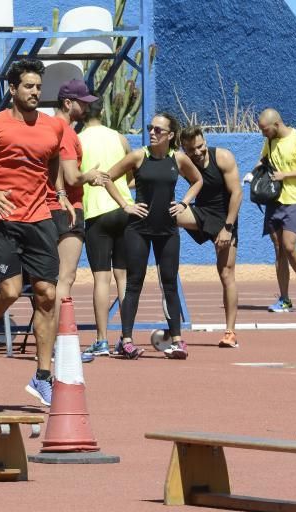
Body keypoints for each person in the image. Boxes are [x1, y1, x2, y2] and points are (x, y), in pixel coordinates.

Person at [0, 58, 63, 406]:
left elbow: (51, 161)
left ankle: (42, 375)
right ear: (13, 88)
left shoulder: (53, 127)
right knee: (9, 291)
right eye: (29, 86)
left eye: (38, 87)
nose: (35, 92)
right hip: (0, 219)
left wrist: (52, 195)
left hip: (39, 218)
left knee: (48, 294)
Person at [103, 113, 203, 360]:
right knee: (134, 283)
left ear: (170, 135)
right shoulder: (139, 156)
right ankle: (126, 340)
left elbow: (197, 180)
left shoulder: (177, 158)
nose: (152, 132)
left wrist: (184, 203)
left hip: (168, 230)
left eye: (159, 129)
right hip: (137, 229)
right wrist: (126, 205)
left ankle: (178, 341)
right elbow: (107, 178)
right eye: (150, 128)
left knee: (169, 283)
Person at [50, 79, 107, 339]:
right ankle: (59, 340)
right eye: (82, 102)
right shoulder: (67, 132)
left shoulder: (46, 127)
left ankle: (50, 339)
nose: (86, 107)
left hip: (45, 209)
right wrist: (90, 174)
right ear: (68, 103)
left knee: (49, 280)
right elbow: (72, 177)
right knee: (65, 278)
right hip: (67, 209)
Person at [177, 126, 243, 348]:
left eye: (200, 146)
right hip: (201, 212)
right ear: (183, 149)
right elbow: (152, 176)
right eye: (192, 150)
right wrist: (118, 182)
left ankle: (230, 332)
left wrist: (227, 228)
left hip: (225, 218)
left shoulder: (223, 157)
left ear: (205, 141)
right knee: (169, 214)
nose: (198, 152)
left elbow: (237, 193)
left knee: (226, 273)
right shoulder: (183, 162)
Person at [78, 99, 133, 358]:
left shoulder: (78, 140)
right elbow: (130, 175)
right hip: (124, 210)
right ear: (102, 111)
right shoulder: (120, 138)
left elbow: (75, 178)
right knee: (123, 277)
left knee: (102, 278)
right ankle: (126, 337)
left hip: (97, 213)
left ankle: (102, 339)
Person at [255, 108, 296, 313]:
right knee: (279, 250)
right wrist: (253, 174)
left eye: (265, 129)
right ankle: (284, 298)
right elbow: (263, 161)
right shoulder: (270, 141)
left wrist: (286, 175)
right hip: (274, 200)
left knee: (289, 247)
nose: (263, 133)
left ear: (277, 124)